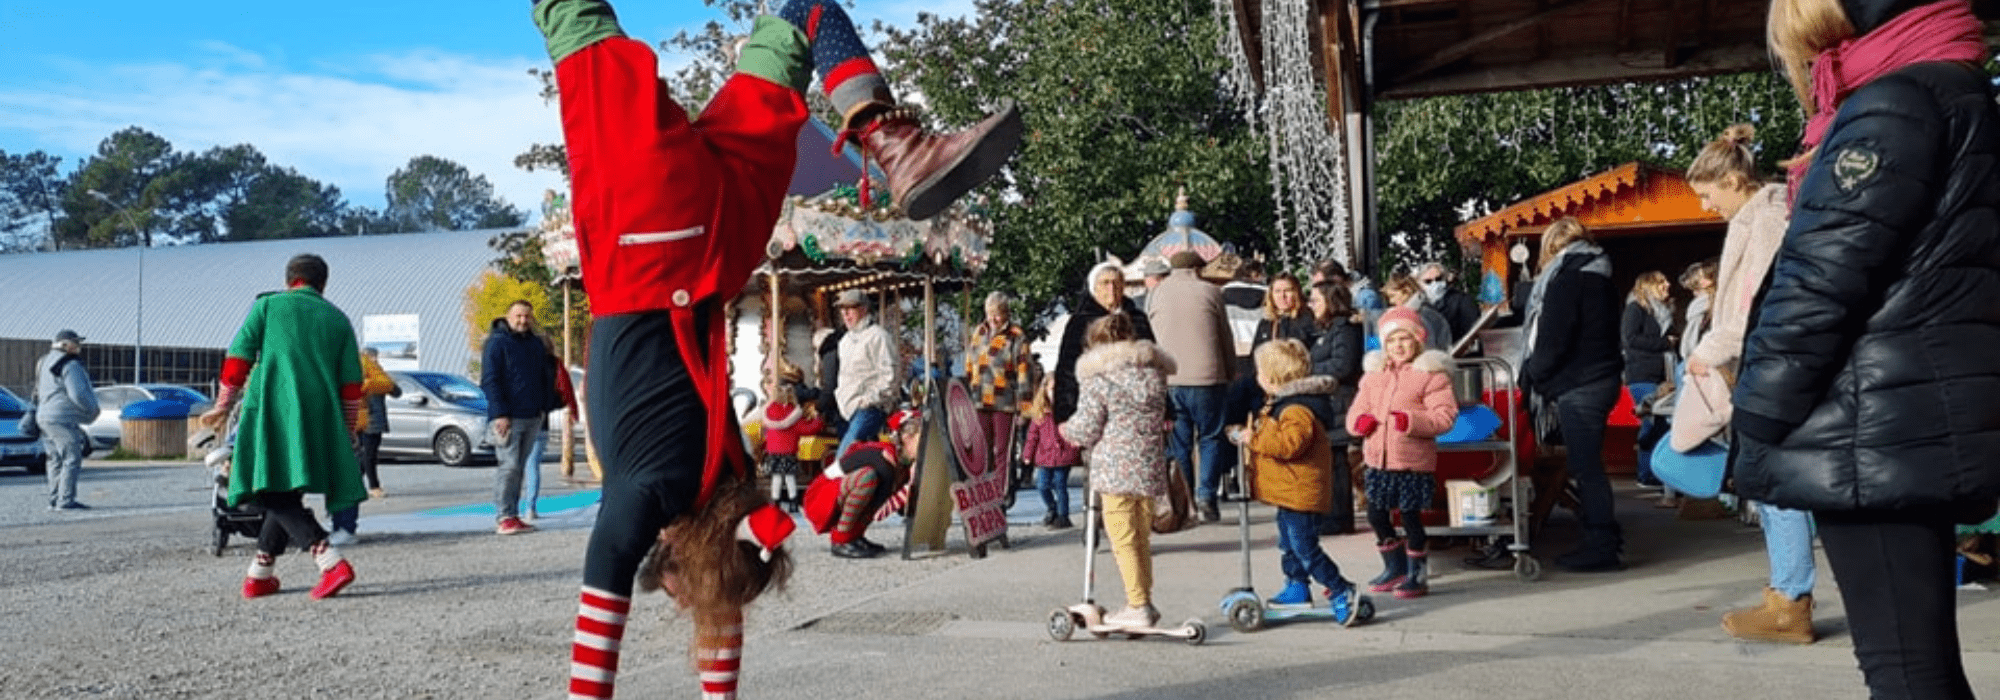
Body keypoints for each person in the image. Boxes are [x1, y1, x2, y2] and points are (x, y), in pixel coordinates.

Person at [533, 0, 1020, 693]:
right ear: (679, 558)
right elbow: (608, 592)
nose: (679, 600)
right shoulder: (649, 495)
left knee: (802, 12)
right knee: (574, 17)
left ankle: (893, 143)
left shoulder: (732, 476)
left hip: (725, 233)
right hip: (648, 240)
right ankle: (898, 150)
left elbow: (725, 596)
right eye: (683, 593)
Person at [1738, 0, 2000, 692]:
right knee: (1925, 667)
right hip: (1916, 411)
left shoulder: (1895, 104)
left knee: (1905, 672)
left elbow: (1817, 285)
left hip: (1870, 427)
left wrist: (1757, 420)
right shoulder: (1956, 89)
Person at [1677, 124, 1813, 644]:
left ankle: (1791, 599)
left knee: (1776, 482)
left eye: (1709, 195)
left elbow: (1748, 303)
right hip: (1775, 363)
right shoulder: (1765, 214)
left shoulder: (1765, 219)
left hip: (1771, 366)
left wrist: (1707, 351)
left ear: (1735, 181)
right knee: (1776, 483)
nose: (1708, 206)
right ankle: (1786, 592)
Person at [199, 254, 365, 601]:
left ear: (290, 280)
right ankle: (259, 574)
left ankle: (329, 560)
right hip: (321, 415)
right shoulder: (338, 319)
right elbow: (352, 385)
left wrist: (222, 405)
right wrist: (348, 429)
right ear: (323, 283)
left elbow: (238, 358)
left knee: (265, 487)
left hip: (272, 407)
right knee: (285, 489)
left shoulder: (268, 306)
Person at [1231, 338, 1367, 620]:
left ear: (1271, 377)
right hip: (1289, 490)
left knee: (1305, 546)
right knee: (1289, 542)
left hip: (1300, 490)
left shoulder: (1297, 410)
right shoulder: (1282, 404)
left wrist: (1253, 438)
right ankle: (1296, 585)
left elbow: (1288, 446)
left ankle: (1340, 588)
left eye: (1260, 372)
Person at [1519, 216, 1624, 572]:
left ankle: (1602, 544)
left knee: (1586, 466)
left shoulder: (1566, 280)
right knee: (1588, 464)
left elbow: (1552, 340)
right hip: (1602, 377)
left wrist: (1532, 375)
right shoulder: (1602, 275)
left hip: (1579, 383)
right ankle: (1604, 536)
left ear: (1552, 248)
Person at [1060, 312, 1176, 628]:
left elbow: (1086, 428)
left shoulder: (1100, 380)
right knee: (1140, 538)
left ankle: (1137, 604)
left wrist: (1065, 430)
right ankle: (1144, 600)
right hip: (1148, 468)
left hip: (1114, 471)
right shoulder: (1155, 376)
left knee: (1122, 539)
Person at [1345, 308, 1457, 599]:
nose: (1398, 345)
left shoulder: (1431, 376)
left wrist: (1412, 421)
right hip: (1377, 459)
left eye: (1405, 339)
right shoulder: (1373, 376)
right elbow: (1358, 409)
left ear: (1418, 341)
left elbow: (1444, 417)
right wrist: (1359, 424)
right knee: (1376, 514)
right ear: (1384, 344)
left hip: (1412, 461)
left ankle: (1416, 573)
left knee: (1410, 517)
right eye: (1392, 340)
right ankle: (1393, 566)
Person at [1145, 251, 1233, 522]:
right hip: (1207, 377)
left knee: (1179, 443)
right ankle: (1207, 496)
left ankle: (1185, 500)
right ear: (1197, 268)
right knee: (1210, 437)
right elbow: (1224, 336)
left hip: (1169, 379)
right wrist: (1230, 371)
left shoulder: (1156, 295)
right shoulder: (1211, 292)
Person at [481, 300, 562, 536]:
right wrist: (499, 413)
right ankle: (504, 516)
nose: (522, 321)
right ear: (508, 317)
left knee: (519, 468)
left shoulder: (535, 344)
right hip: (509, 417)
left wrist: (545, 406)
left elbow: (544, 376)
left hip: (533, 415)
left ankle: (514, 514)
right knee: (509, 466)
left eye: (527, 316)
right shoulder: (496, 344)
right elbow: (490, 380)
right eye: (518, 316)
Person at [803, 408, 919, 558]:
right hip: (820, 498)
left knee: (871, 482)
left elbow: (899, 509)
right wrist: (908, 488)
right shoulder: (884, 460)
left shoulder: (899, 463)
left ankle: (854, 536)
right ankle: (841, 539)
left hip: (836, 493)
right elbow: (878, 511)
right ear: (907, 437)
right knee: (867, 478)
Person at [1053, 260, 1154, 425]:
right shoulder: (1081, 321)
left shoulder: (1137, 319)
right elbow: (1067, 369)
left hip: (1132, 407)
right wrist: (1066, 413)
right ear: (1094, 288)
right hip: (1093, 407)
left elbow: (1152, 363)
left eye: (1116, 283)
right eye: (1105, 283)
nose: (1111, 289)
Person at [326, 347, 400, 545]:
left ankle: (345, 525)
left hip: (362, 424)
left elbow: (392, 388)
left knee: (361, 463)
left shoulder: (366, 366)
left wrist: (365, 386)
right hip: (344, 425)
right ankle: (338, 520)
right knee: (346, 471)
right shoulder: (329, 364)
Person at [1307, 281, 1364, 535]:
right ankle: (1333, 515)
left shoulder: (1345, 329)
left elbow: (1343, 365)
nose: (1312, 305)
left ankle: (1339, 517)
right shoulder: (1327, 330)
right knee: (1332, 460)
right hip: (1330, 402)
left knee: (1336, 460)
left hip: (1339, 401)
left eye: (1316, 300)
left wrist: (1308, 371)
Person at [964, 291, 1031, 477]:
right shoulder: (979, 332)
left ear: (1006, 313)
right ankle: (984, 492)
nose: (993, 318)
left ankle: (1002, 493)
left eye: (997, 313)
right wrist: (968, 391)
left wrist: (1024, 409)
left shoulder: (1016, 336)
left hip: (1005, 402)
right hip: (979, 400)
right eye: (989, 313)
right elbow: (970, 364)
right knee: (982, 451)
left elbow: (1025, 373)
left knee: (1002, 451)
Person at [1620, 271, 1676, 491]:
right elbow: (1630, 339)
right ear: (1649, 286)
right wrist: (1664, 342)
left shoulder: (1663, 312)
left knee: (1661, 424)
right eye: (1661, 282)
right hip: (1642, 374)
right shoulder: (1635, 309)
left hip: (1662, 375)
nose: (1668, 284)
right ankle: (1646, 474)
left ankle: (1656, 473)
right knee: (1650, 422)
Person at [831, 289, 901, 459]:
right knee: (865, 458)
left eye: (850, 309)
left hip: (868, 407)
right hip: (848, 408)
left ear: (863, 310)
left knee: (844, 457)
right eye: (843, 310)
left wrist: (869, 400)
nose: (846, 315)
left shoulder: (878, 337)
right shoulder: (845, 341)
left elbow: (890, 375)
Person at [34, 329, 98, 511]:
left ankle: (54, 499)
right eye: (75, 343)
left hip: (43, 416)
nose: (78, 347)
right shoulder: (70, 364)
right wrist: (92, 410)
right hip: (62, 417)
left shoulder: (43, 362)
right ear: (64, 345)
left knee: (54, 458)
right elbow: (78, 393)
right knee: (71, 457)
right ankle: (65, 501)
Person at [519, 339, 580, 521]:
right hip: (541, 419)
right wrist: (565, 406)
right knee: (532, 466)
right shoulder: (554, 364)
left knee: (514, 466)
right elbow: (564, 388)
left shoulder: (524, 361)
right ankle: (530, 507)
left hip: (520, 417)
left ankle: (510, 508)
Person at [1020, 376, 1081, 529]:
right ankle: (1052, 508)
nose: (1056, 393)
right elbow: (1032, 436)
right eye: (1053, 389)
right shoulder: (1040, 413)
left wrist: (1075, 447)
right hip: (1045, 456)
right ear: (1045, 390)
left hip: (1063, 455)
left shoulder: (1068, 409)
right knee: (1042, 485)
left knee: (1060, 485)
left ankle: (1063, 516)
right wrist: (1027, 454)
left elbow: (1075, 431)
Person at [760, 367, 822, 512]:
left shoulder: (769, 412)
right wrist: (818, 420)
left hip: (773, 452)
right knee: (789, 478)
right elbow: (807, 429)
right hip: (788, 452)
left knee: (776, 478)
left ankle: (775, 502)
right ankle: (793, 503)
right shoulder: (794, 415)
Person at [1380, 274, 1453, 353]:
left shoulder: (1419, 315)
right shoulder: (1429, 312)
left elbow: (1428, 345)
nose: (1391, 301)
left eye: (1392, 296)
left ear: (1407, 290)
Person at [1417, 262, 1480, 345]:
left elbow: (1472, 331)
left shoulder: (1463, 300)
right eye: (1428, 281)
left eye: (1438, 279)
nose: (1434, 284)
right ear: (1420, 284)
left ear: (1446, 279)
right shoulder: (1419, 306)